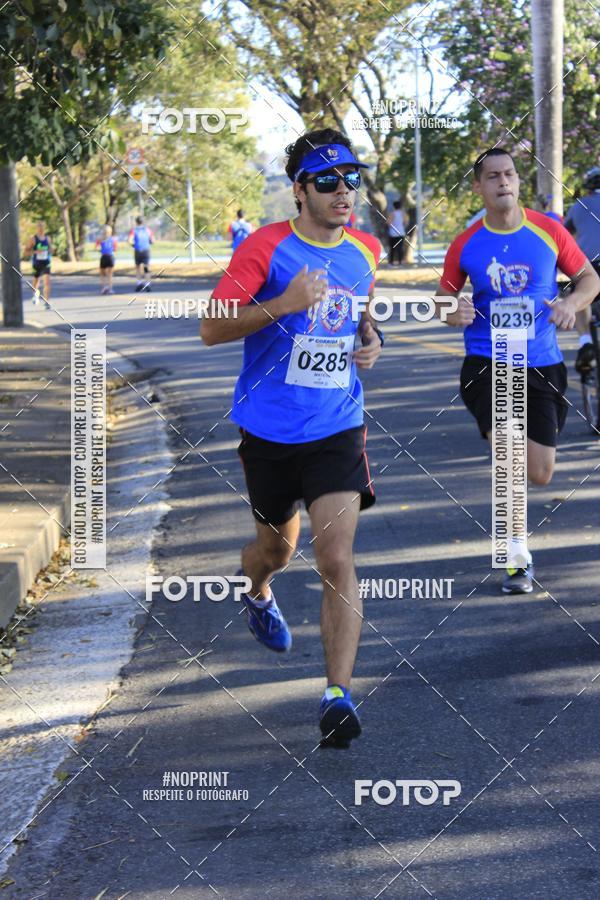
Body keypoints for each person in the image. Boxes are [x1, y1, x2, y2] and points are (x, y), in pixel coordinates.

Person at [201, 128, 384, 747]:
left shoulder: (365, 251)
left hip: (337, 425)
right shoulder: (264, 248)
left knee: (336, 557)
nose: (343, 191)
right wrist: (285, 301)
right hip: (269, 430)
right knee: (275, 551)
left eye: (351, 178)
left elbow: (357, 312)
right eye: (327, 180)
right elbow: (211, 328)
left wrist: (370, 339)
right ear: (299, 190)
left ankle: (337, 694)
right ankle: (256, 587)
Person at [436, 147, 599, 594]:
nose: (502, 181)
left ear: (518, 181)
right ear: (478, 186)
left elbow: (590, 279)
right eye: (492, 176)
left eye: (509, 174)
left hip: (542, 363)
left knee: (541, 471)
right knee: (509, 457)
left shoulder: (547, 230)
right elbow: (443, 301)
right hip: (488, 361)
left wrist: (570, 302)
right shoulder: (466, 242)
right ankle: (515, 559)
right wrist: (455, 311)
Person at [564, 166, 600, 373]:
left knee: (581, 292)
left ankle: (585, 341)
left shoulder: (579, 206)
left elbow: (564, 236)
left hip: (593, 268)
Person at [25, 221, 52, 309]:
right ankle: (35, 295)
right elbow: (26, 252)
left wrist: (51, 250)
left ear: (45, 228)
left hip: (46, 262)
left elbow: (50, 249)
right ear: (37, 228)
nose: (41, 228)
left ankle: (47, 302)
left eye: (42, 227)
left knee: (47, 282)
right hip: (37, 263)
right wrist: (35, 251)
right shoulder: (33, 239)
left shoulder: (48, 238)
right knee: (37, 281)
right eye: (39, 227)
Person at [128, 215, 154, 291]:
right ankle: (148, 284)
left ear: (136, 222)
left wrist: (134, 245)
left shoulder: (134, 230)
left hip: (138, 250)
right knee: (146, 268)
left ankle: (139, 283)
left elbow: (129, 240)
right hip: (146, 250)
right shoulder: (148, 230)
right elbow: (153, 240)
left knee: (138, 267)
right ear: (143, 222)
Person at [95, 225, 118, 295]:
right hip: (110, 256)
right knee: (110, 274)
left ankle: (103, 288)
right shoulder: (113, 239)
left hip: (103, 257)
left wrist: (101, 250)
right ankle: (110, 289)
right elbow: (115, 249)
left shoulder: (100, 239)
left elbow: (96, 248)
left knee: (102, 274)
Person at [386, 199, 406, 265]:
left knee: (392, 248)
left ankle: (391, 262)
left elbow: (388, 222)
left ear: (394, 206)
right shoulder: (403, 214)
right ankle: (400, 262)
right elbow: (405, 222)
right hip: (401, 233)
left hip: (393, 233)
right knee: (400, 248)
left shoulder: (392, 214)